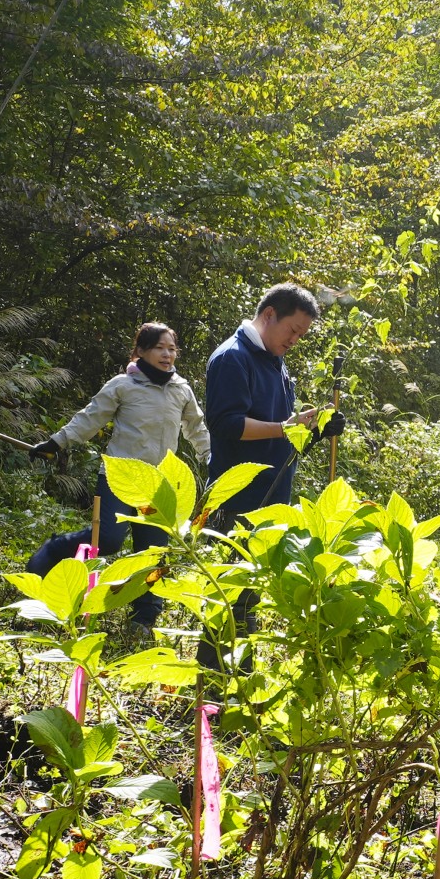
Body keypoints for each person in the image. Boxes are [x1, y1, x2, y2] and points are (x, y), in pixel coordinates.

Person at [26, 323, 211, 631]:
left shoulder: (181, 389)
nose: (168, 355)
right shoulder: (124, 385)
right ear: (140, 351)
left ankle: (144, 619)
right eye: (160, 348)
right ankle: (54, 550)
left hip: (158, 486)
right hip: (119, 478)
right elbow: (90, 418)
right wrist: (57, 442)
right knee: (108, 540)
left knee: (152, 556)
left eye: (172, 349)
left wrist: (210, 456)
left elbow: (196, 427)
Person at [201, 283, 337, 670]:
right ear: (269, 314)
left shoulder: (275, 361)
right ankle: (211, 686)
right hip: (241, 496)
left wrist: (315, 429)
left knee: (251, 593)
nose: (295, 340)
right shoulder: (233, 358)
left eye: (302, 335)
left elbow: (282, 434)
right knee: (229, 595)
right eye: (293, 330)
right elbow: (227, 425)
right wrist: (286, 426)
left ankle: (238, 681)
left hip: (272, 494)